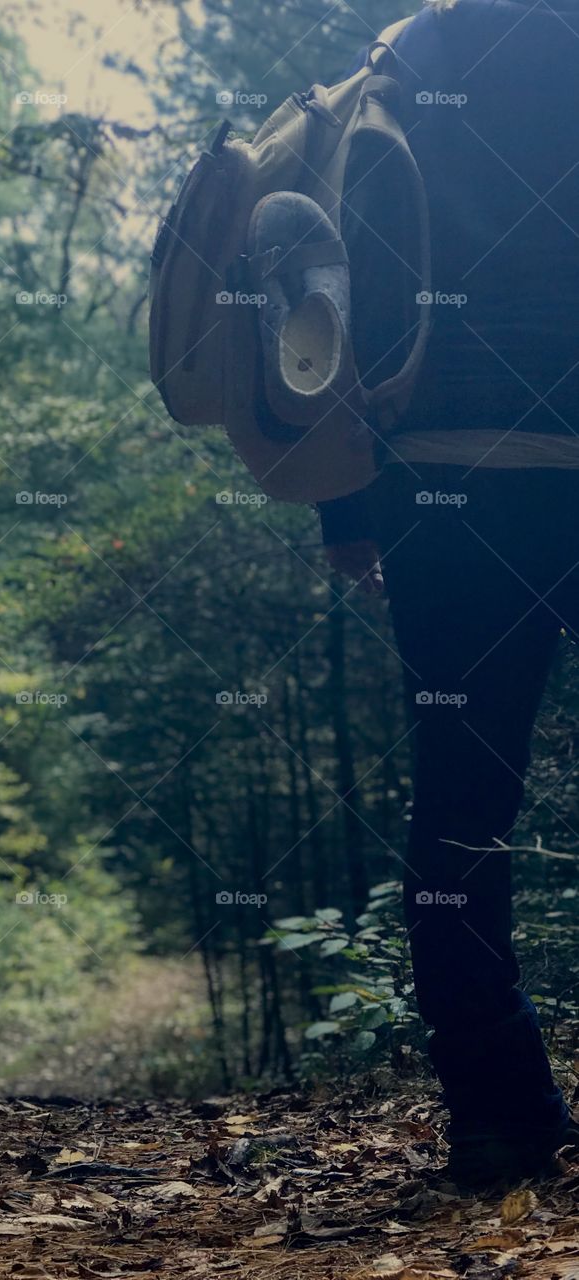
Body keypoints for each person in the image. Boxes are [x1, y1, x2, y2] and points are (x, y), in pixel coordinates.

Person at [319, 0, 579, 1186]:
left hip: (446, 486)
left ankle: (496, 1113)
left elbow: (327, 289)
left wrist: (348, 507)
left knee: (460, 817)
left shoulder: (405, 57)